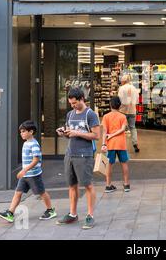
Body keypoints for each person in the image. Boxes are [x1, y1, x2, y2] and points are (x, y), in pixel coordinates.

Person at [55, 88, 100, 230]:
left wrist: (77, 132)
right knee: (71, 185)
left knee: (87, 185)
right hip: (70, 154)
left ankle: (90, 215)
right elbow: (70, 133)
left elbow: (96, 135)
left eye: (74, 103)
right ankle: (73, 214)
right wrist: (64, 133)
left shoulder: (90, 114)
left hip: (84, 155)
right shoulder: (70, 114)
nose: (72, 106)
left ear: (82, 99)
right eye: (71, 103)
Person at [0, 121, 56, 223]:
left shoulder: (34, 144)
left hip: (33, 175)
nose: (21, 133)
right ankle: (10, 213)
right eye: (21, 132)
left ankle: (50, 210)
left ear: (31, 132)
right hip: (25, 175)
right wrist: (24, 171)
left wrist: (24, 170)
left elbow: (36, 160)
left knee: (41, 192)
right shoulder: (26, 143)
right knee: (17, 193)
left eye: (23, 131)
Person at [101, 96, 131, 193]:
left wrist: (103, 144)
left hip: (111, 144)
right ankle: (126, 185)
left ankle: (108, 185)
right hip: (121, 144)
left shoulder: (106, 117)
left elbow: (105, 132)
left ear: (110, 105)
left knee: (109, 164)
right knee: (124, 163)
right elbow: (123, 129)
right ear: (120, 105)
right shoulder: (123, 116)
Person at [118, 74, 140, 153]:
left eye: (121, 81)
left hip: (122, 111)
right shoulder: (134, 88)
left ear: (124, 81)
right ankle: (135, 144)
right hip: (132, 110)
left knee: (121, 128)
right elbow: (137, 100)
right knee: (133, 128)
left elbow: (119, 99)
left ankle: (120, 145)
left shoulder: (122, 88)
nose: (121, 82)